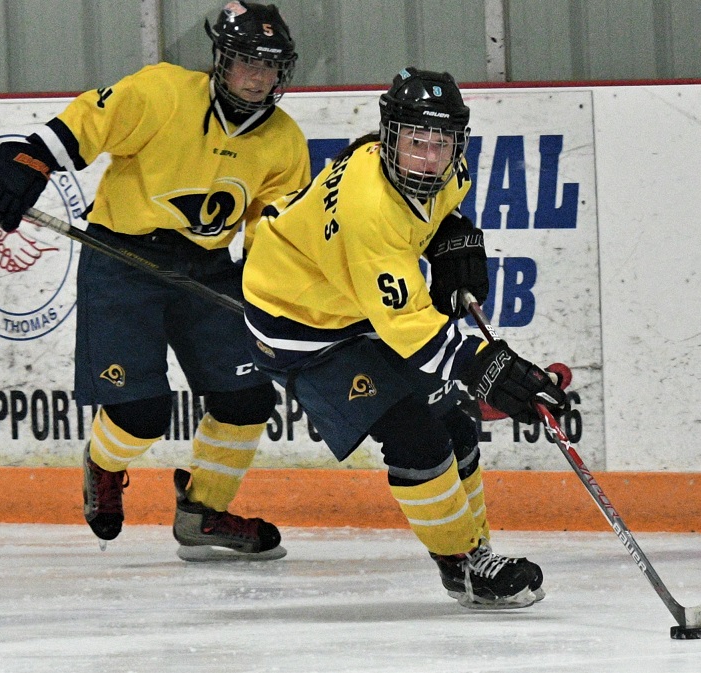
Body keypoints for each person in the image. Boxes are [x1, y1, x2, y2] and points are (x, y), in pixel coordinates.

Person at [0, 1, 310, 562]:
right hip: (122, 261)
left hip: (206, 268)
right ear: (221, 61)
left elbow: (272, 234)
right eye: (247, 61)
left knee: (247, 398)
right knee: (140, 413)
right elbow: (87, 122)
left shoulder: (285, 140)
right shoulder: (162, 92)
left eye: (271, 65)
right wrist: (29, 164)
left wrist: (273, 293)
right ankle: (104, 465)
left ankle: (202, 517)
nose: (258, 76)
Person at [240, 67, 567, 608]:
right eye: (416, 142)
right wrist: (491, 368)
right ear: (390, 136)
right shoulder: (369, 212)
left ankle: (477, 550)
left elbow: (438, 213)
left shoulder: (442, 171)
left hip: (347, 303)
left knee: (455, 418)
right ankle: (461, 566)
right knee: (415, 430)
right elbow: (418, 337)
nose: (429, 159)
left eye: (441, 143)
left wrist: (452, 233)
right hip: (299, 323)